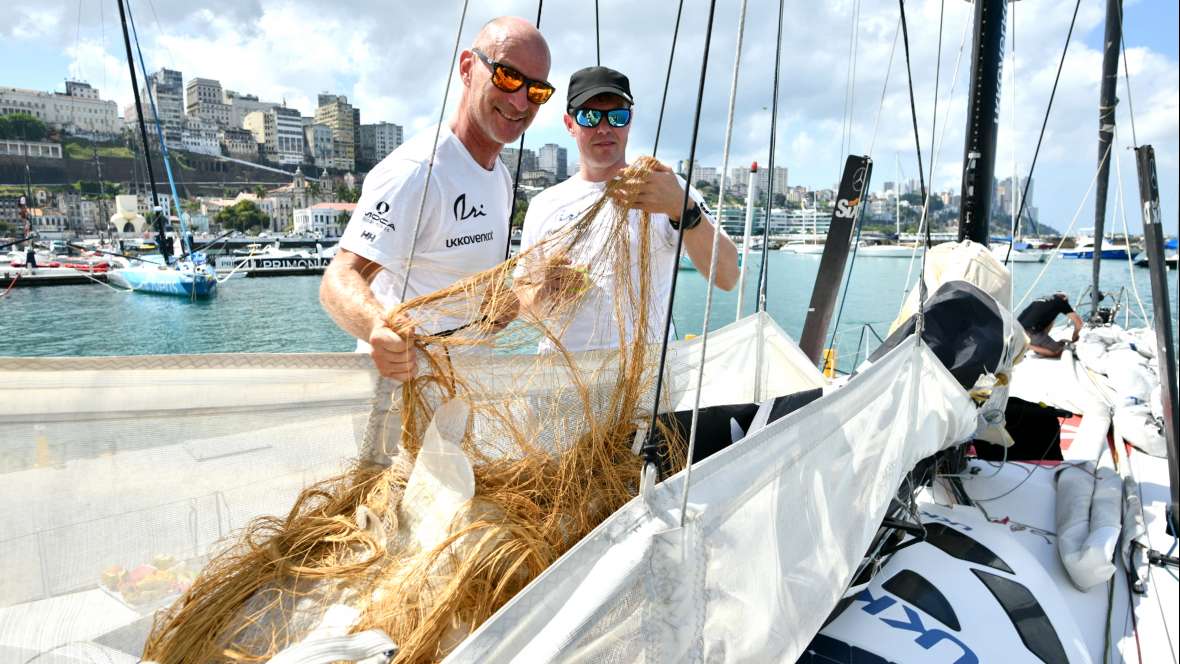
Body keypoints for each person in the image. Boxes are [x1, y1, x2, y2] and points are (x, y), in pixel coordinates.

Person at [321, 17, 553, 381]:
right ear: (467, 69)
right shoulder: (416, 171)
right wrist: (376, 326)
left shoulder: (502, 178)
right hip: (401, 392)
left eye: (537, 90)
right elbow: (340, 276)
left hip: (465, 394)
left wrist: (542, 288)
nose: (520, 100)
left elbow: (482, 306)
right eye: (508, 76)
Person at [518, 66, 739, 353]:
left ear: (630, 121)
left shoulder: (666, 187)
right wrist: (545, 288)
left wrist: (682, 208)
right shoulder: (544, 205)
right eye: (590, 116)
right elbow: (520, 304)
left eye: (617, 116)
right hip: (561, 382)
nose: (604, 128)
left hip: (643, 383)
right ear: (569, 124)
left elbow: (728, 276)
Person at [1018, 292, 1083, 358]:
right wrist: (1075, 335)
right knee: (1058, 352)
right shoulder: (1061, 301)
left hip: (1018, 330)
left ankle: (1031, 344)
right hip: (1031, 332)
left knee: (1048, 347)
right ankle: (1027, 346)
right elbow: (1079, 323)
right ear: (1064, 298)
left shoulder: (1041, 300)